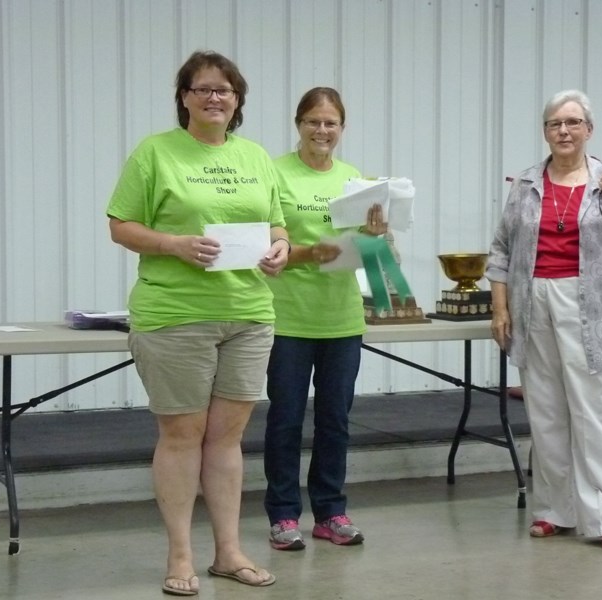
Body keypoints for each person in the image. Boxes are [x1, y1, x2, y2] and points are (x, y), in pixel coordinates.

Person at [106, 50, 287, 595]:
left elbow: (278, 226)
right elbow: (121, 225)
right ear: (184, 96)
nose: (215, 98)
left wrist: (280, 249)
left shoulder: (256, 157)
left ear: (238, 102)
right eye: (204, 88)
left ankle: (228, 551)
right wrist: (173, 244)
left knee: (227, 438)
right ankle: (180, 556)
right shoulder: (155, 153)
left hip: (249, 315)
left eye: (225, 91)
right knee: (182, 435)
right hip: (175, 316)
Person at [486, 89, 602, 553]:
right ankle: (553, 512)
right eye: (555, 123)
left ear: (589, 130)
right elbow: (500, 250)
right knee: (546, 414)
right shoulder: (525, 184)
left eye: (573, 122)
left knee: (594, 415)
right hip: (531, 304)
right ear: (545, 131)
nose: (564, 131)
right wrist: (500, 308)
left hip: (591, 309)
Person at [263, 87, 386, 551]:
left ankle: (330, 511)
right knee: (286, 419)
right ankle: (282, 515)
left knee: (335, 420)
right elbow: (266, 249)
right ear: (299, 124)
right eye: (313, 121)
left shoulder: (355, 179)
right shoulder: (274, 174)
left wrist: (375, 235)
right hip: (288, 317)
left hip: (341, 318)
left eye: (330, 123)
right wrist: (311, 252)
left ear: (341, 128)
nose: (322, 131)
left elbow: (366, 253)